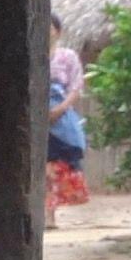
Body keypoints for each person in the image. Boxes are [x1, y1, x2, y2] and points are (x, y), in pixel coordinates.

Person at [47, 13, 92, 220]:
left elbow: (75, 86)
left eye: (50, 26)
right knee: (41, 168)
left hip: (60, 117)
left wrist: (60, 109)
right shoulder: (28, 56)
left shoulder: (68, 57)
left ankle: (49, 214)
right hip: (35, 117)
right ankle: (46, 214)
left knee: (56, 165)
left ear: (58, 31)